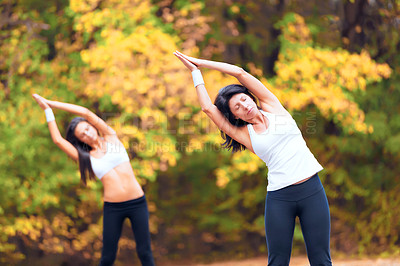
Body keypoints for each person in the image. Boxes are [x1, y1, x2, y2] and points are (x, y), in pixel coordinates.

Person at [174, 51, 332, 266]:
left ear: (250, 96)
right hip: (279, 198)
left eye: (243, 99)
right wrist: (195, 73)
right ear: (235, 117)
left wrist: (201, 62)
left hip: (312, 191)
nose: (244, 106)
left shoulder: (273, 106)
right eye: (236, 108)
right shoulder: (244, 134)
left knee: (321, 260)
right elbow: (208, 109)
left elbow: (239, 72)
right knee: (277, 262)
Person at [32, 94, 155, 266]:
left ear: (92, 126)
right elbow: (58, 140)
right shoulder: (85, 158)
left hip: (137, 203)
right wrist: (47, 111)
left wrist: (52, 103)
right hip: (114, 208)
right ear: (79, 140)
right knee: (107, 257)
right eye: (82, 134)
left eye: (87, 129)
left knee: (144, 252)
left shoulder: (111, 136)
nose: (87, 134)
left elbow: (86, 112)